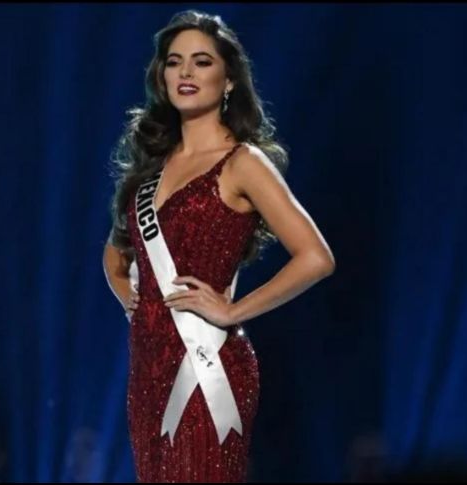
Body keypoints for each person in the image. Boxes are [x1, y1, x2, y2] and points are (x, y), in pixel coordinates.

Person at [102, 10, 335, 482]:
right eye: (174, 62)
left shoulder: (242, 162)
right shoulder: (149, 170)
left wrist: (234, 311)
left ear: (228, 80)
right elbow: (115, 257)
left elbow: (316, 257)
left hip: (205, 364)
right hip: (147, 369)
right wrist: (137, 305)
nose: (186, 72)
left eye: (202, 61)